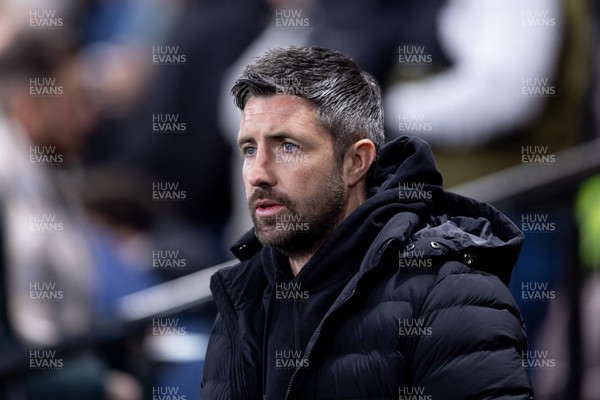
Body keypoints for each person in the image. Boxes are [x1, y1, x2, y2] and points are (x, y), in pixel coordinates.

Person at [201, 46, 533, 399]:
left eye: (288, 146)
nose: (258, 174)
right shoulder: (240, 301)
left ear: (356, 162)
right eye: (249, 149)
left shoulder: (451, 295)